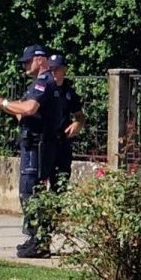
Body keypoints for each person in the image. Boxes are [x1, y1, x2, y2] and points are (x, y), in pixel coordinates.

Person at [0, 44, 63, 258]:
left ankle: (37, 240)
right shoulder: (47, 83)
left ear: (40, 59)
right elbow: (24, 113)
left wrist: (3, 102)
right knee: (34, 193)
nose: (24, 66)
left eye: (27, 61)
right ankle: (37, 239)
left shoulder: (43, 82)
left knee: (30, 193)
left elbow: (29, 109)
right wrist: (4, 105)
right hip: (38, 145)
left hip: (37, 147)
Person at [47, 53, 85, 192]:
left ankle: (54, 211)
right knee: (39, 180)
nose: (54, 72)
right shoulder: (42, 89)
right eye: (51, 69)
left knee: (60, 181)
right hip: (45, 141)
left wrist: (77, 124)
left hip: (63, 142)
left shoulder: (69, 93)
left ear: (64, 70)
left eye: (57, 69)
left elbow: (80, 116)